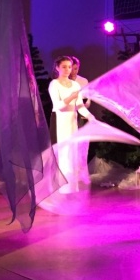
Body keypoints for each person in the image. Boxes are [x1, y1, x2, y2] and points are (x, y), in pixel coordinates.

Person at [48, 56, 95, 194]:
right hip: (59, 121)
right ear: (57, 68)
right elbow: (58, 106)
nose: (67, 69)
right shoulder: (54, 84)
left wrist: (90, 116)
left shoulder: (75, 85)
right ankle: (61, 188)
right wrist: (70, 97)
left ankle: (71, 187)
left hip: (72, 122)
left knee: (72, 154)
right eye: (64, 66)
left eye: (69, 66)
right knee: (62, 154)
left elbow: (80, 106)